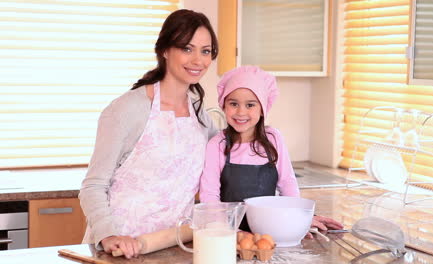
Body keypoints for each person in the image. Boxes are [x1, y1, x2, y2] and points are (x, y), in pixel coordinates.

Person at [79, 9, 218, 259]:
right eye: (187, 48)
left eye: (205, 51)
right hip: (122, 248)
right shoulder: (127, 109)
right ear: (164, 50)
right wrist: (109, 235)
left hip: (172, 246)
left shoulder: (199, 112)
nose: (198, 60)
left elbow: (226, 160)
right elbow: (93, 185)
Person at [199, 66, 343, 232]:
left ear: (263, 109)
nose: (241, 112)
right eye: (233, 103)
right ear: (224, 106)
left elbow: (287, 184)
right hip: (229, 230)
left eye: (250, 104)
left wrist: (298, 219)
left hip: (269, 228)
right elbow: (210, 196)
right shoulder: (217, 144)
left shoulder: (273, 138)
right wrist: (228, 232)